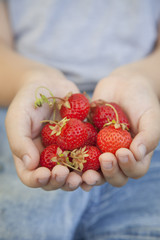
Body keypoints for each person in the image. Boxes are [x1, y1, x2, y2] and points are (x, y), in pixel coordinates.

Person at [0, 0, 160, 239]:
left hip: (141, 108)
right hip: (29, 109)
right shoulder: (61, 122)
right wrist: (30, 80)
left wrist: (142, 80)